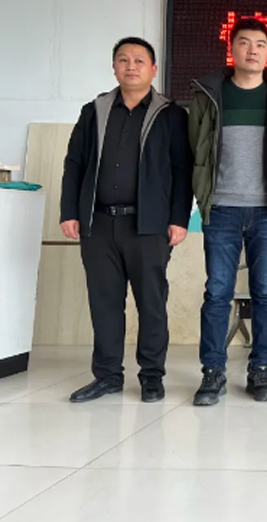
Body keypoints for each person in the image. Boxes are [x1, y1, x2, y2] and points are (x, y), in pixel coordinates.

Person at [60, 37, 192, 403]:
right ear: (114, 67)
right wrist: (70, 211)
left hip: (149, 225)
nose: (130, 66)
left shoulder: (172, 115)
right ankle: (107, 376)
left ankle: (151, 377)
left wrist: (179, 218)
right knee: (104, 303)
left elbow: (183, 171)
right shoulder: (95, 111)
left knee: (151, 303)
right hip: (99, 224)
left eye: (138, 60)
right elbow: (75, 163)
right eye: (123, 60)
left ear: (153, 69)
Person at [189, 17, 267, 406]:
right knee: (217, 292)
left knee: (266, 292)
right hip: (220, 208)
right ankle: (213, 372)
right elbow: (195, 146)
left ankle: (261, 370)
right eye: (244, 42)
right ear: (232, 48)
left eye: (260, 44)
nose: (252, 50)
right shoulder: (210, 95)